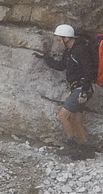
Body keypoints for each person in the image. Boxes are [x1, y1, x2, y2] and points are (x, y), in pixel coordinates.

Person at [39, 23, 96, 159]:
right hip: (79, 88)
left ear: (67, 38)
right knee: (76, 119)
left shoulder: (80, 50)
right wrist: (46, 57)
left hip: (82, 88)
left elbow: (89, 71)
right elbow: (61, 66)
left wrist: (84, 90)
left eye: (59, 40)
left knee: (63, 115)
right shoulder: (69, 52)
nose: (58, 43)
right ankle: (87, 148)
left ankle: (72, 147)